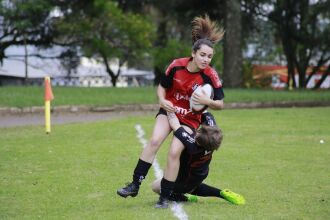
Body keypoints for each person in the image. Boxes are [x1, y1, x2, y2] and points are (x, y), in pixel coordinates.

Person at [117, 15, 225, 199]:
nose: (206, 59)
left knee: (175, 151)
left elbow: (221, 104)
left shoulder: (211, 75)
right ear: (193, 53)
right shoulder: (176, 66)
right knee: (154, 141)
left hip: (190, 119)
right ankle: (134, 185)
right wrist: (162, 100)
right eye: (202, 55)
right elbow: (162, 87)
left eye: (209, 56)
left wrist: (207, 102)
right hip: (169, 110)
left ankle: (165, 196)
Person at [153, 112, 245, 208]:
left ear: (197, 139)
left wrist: (170, 108)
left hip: (185, 179)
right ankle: (221, 193)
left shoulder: (192, 145)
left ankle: (182, 197)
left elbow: (175, 123)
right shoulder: (212, 136)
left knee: (156, 186)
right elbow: (207, 114)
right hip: (201, 174)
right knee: (192, 185)